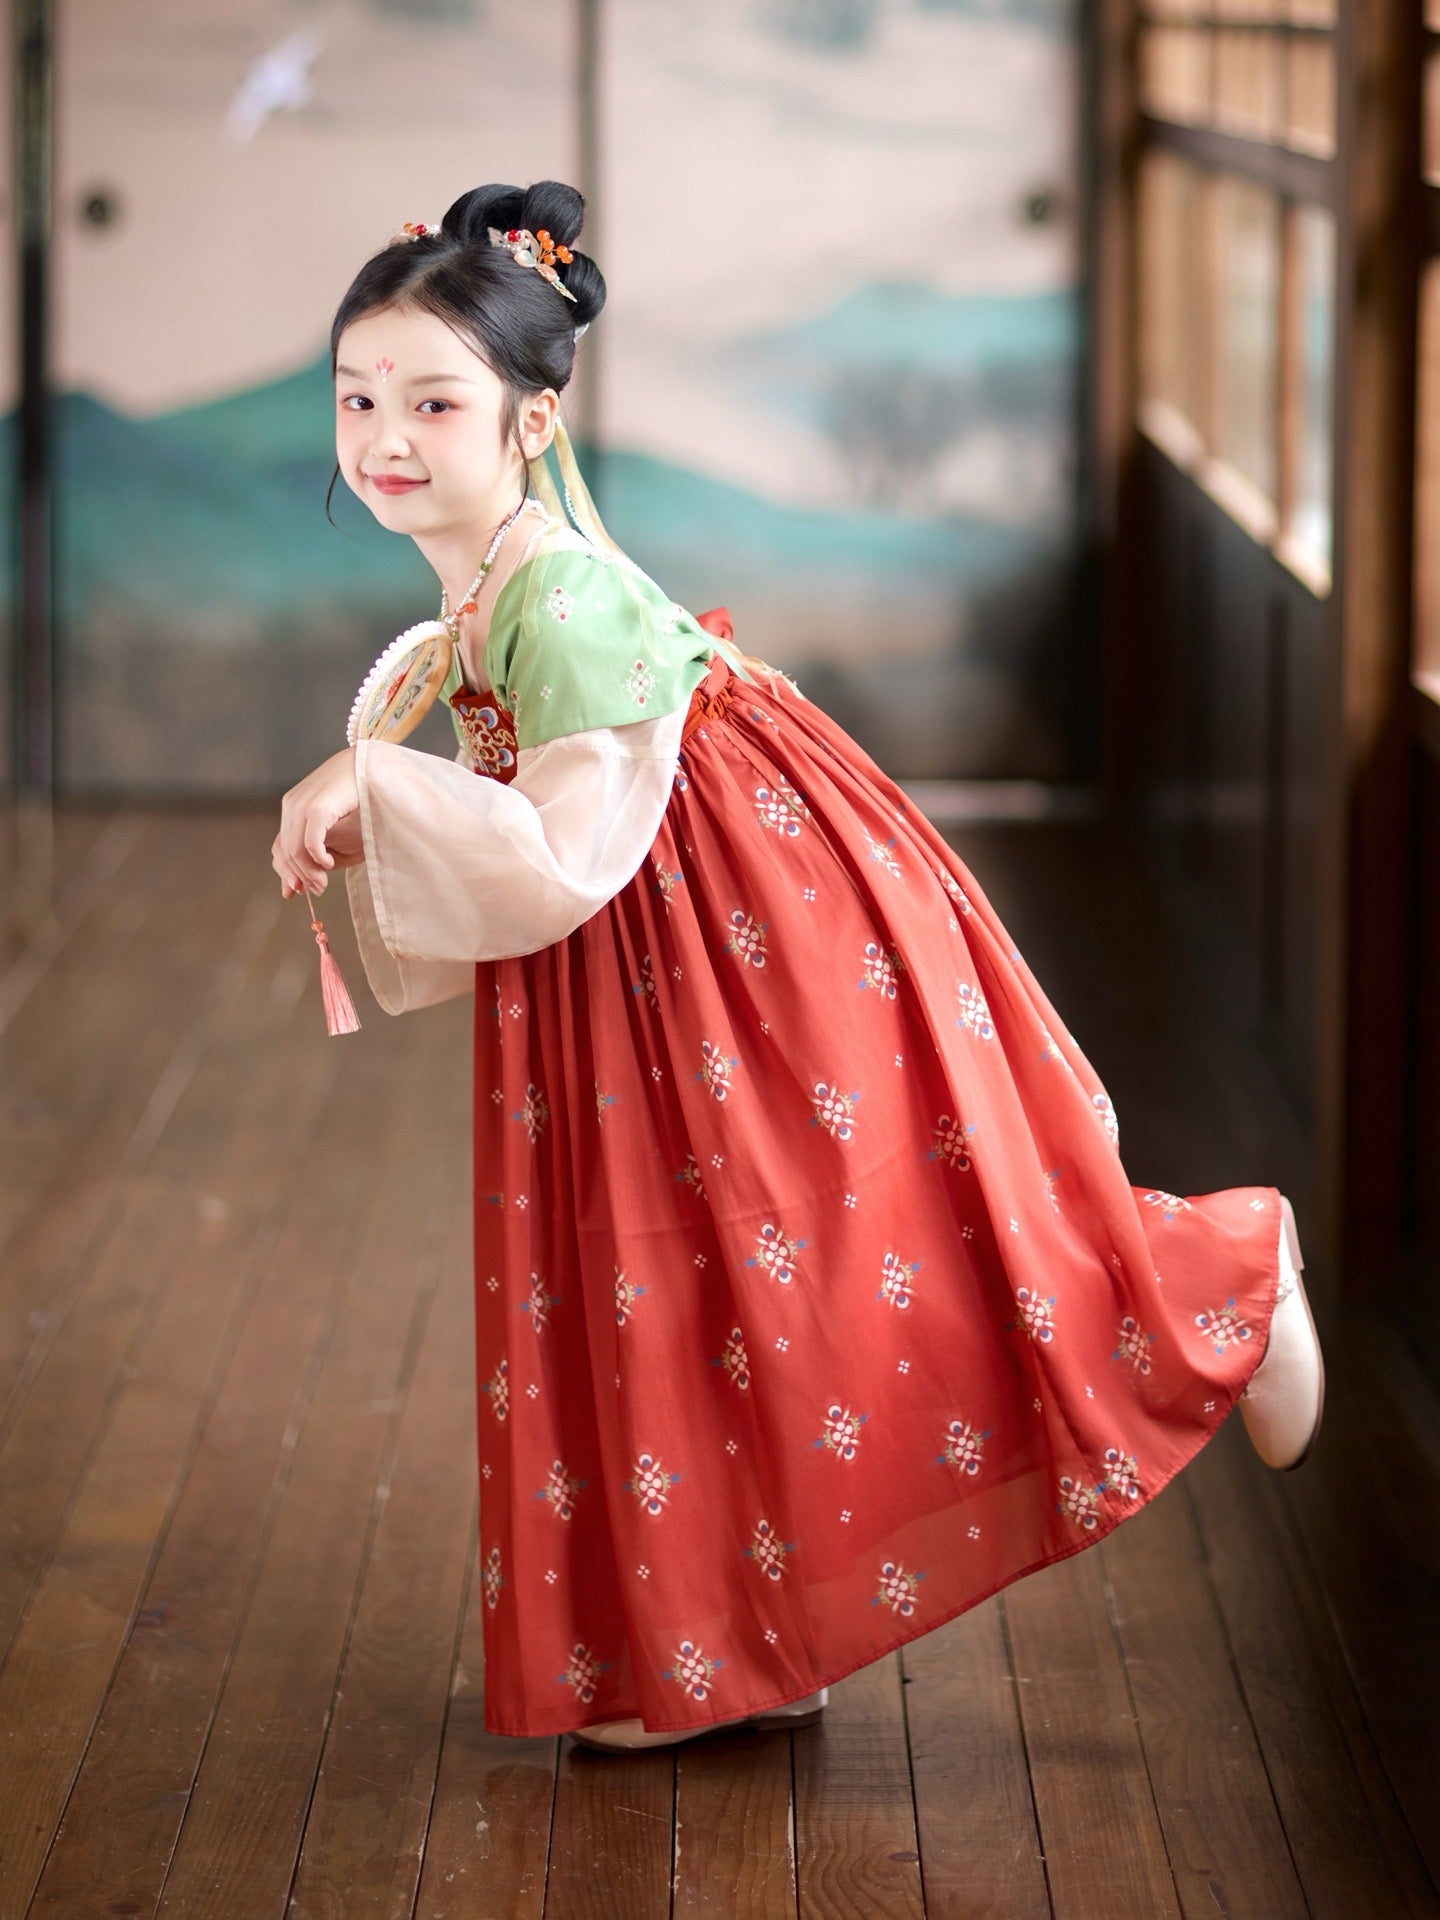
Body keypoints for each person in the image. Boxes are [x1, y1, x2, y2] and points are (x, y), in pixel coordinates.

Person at [271, 180, 1325, 1755]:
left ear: (533, 415)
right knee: (701, 1267)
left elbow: (565, 843)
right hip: (655, 932)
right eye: (360, 399)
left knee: (800, 1245)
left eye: (435, 400)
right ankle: (745, 1638)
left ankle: (1223, 1277)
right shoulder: (498, 568)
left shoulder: (551, 590)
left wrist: (369, 785)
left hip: (725, 928)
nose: (387, 438)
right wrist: (388, 792)